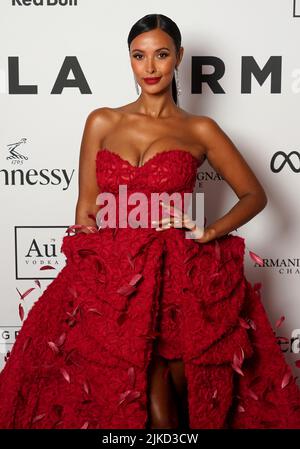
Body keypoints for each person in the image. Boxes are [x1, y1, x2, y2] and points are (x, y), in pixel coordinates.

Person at [0, 13, 299, 430]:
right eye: (139, 56)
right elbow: (86, 210)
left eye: (161, 54)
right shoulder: (102, 121)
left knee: (170, 412)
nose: (150, 67)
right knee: (116, 401)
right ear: (130, 60)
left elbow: (256, 195)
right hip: (114, 282)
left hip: (176, 279)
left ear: (178, 56)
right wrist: (90, 282)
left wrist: (209, 230)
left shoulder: (199, 128)